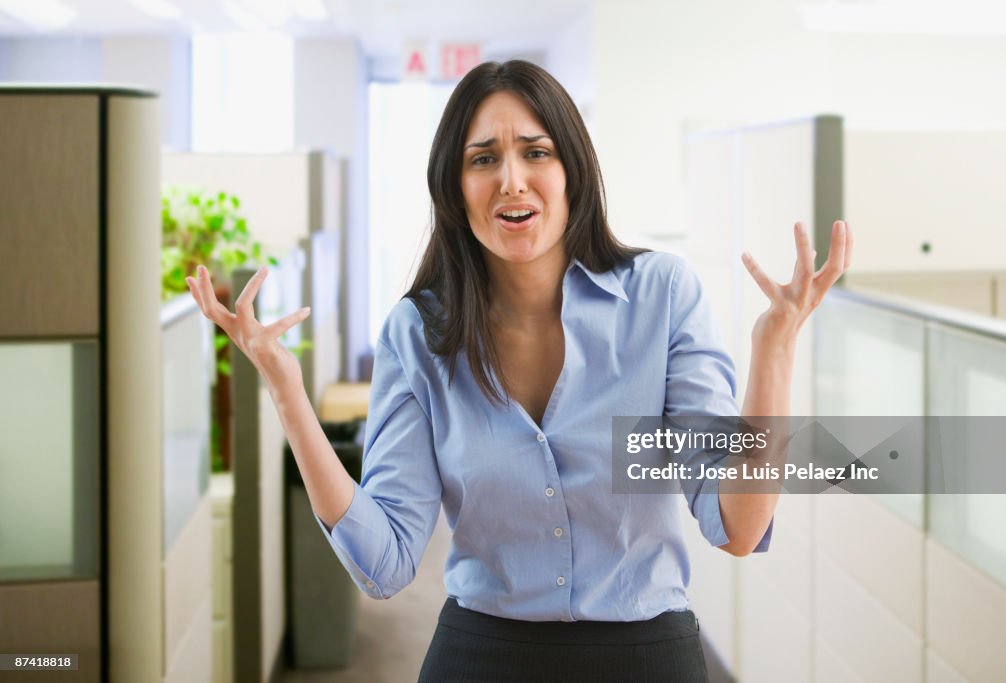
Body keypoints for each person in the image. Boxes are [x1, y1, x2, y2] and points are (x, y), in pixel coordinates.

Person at [186, 60, 852, 682]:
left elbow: (735, 524)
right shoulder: (419, 334)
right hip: (482, 656)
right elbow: (385, 564)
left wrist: (775, 349)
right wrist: (285, 391)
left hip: (646, 654)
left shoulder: (661, 298)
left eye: (536, 151)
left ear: (572, 172)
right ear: (455, 187)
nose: (511, 179)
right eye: (483, 159)